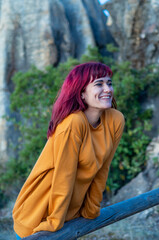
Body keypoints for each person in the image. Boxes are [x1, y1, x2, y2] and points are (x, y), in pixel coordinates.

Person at [13, 62, 125, 239]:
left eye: (109, 83)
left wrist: (91, 209)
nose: (108, 89)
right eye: (99, 84)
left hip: (69, 214)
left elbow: (103, 168)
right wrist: (55, 221)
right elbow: (63, 175)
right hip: (39, 213)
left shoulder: (115, 120)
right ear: (82, 93)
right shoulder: (73, 123)